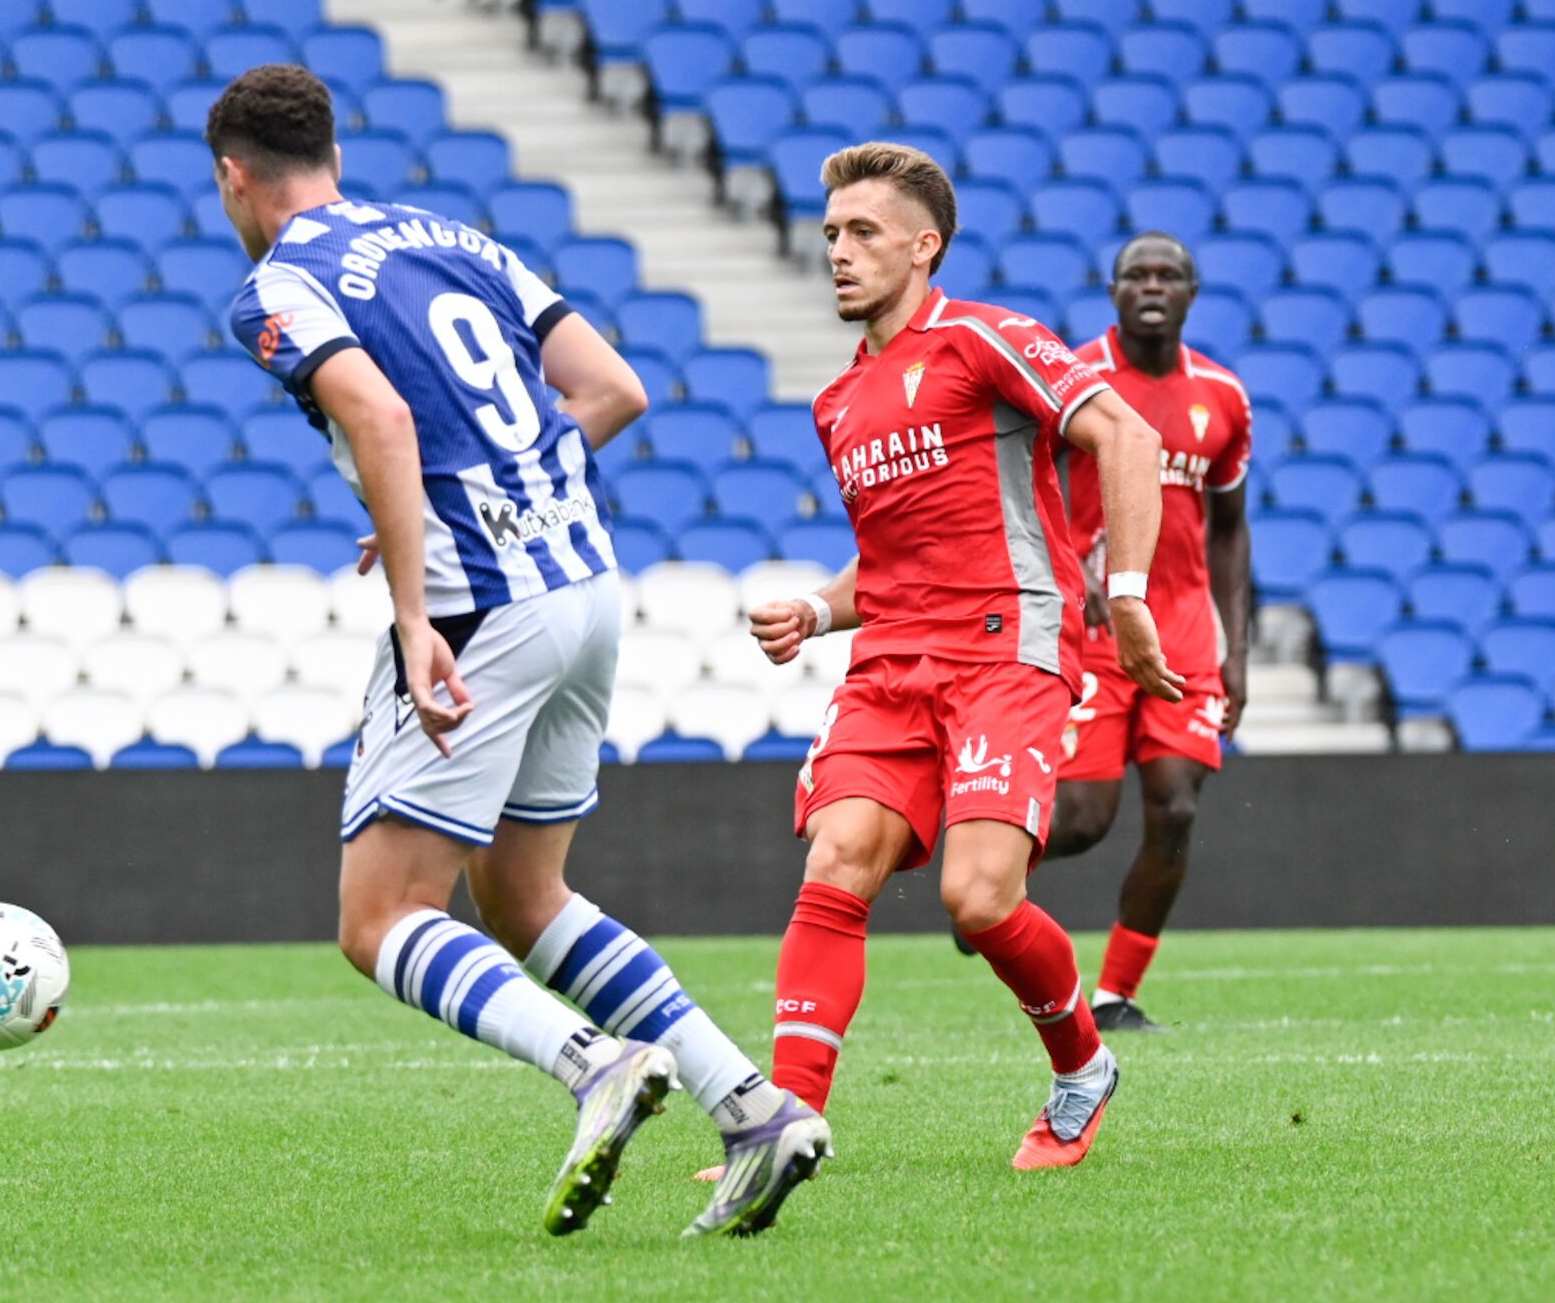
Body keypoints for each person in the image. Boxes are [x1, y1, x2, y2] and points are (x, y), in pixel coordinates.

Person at [210, 65, 828, 1238]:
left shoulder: (272, 285)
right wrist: (481, 495)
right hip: (583, 583)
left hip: (473, 608)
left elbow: (382, 416)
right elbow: (613, 390)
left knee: (378, 917)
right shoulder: (451, 235)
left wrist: (410, 600)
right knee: (523, 891)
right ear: (331, 152)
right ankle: (751, 1108)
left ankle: (595, 1065)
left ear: (234, 177)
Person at [742, 143, 1181, 1172]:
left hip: (1004, 650)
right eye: (829, 236)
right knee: (834, 862)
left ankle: (1080, 1066)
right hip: (890, 664)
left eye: (861, 234)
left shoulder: (986, 339)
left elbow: (1121, 434)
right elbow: (892, 556)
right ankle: (782, 1125)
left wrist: (1121, 595)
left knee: (977, 897)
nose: (838, 254)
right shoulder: (837, 403)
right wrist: (816, 605)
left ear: (923, 245)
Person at [1027, 232, 1255, 1034]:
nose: (1152, 286)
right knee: (1084, 822)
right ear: (1113, 289)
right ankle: (986, 882)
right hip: (1093, 629)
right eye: (1137, 274)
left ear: (1192, 293)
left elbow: (1228, 530)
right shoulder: (1074, 380)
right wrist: (1071, 570)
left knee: (1176, 808)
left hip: (1187, 631)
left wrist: (1239, 652)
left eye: (1169, 275)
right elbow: (1027, 485)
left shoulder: (1222, 397)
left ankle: (1116, 995)